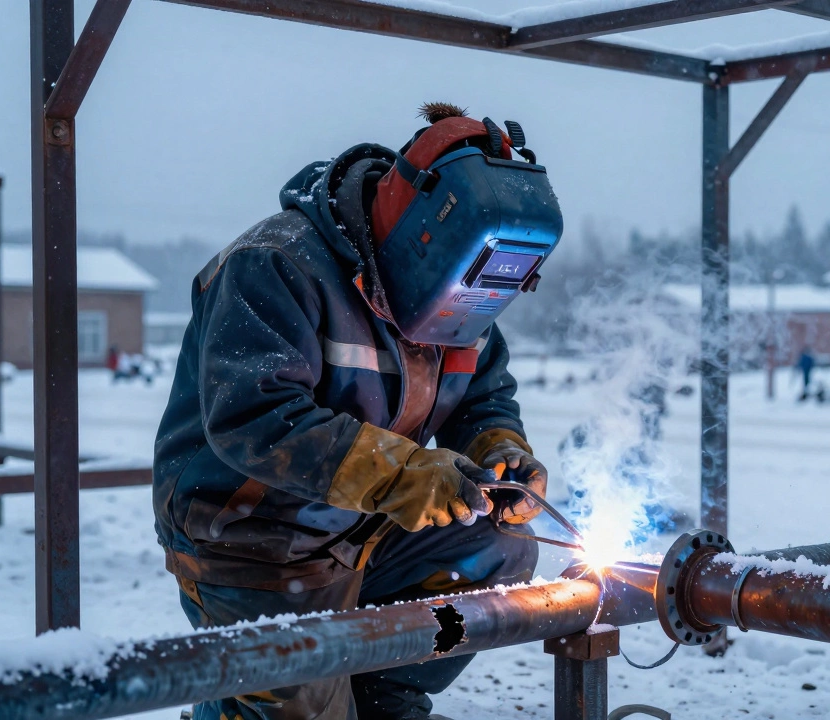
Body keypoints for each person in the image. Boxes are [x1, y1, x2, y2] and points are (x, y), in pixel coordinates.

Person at [152, 103, 561, 720]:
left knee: (497, 549)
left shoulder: (459, 302)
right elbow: (256, 419)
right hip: (251, 540)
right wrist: (402, 475)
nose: (466, 314)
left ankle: (383, 693)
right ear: (418, 232)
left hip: (359, 528)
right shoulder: (275, 264)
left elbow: (483, 395)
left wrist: (499, 450)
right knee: (302, 710)